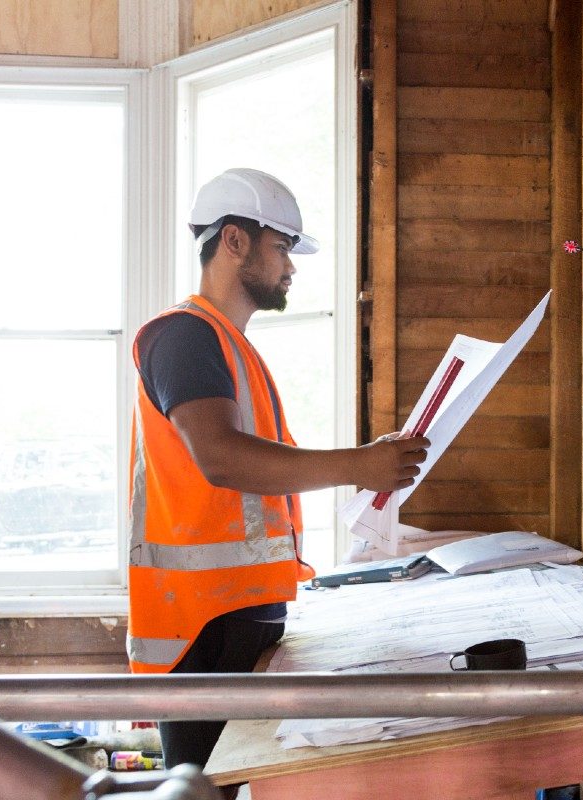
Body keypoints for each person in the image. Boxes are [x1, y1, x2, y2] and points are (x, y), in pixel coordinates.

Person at [126, 167, 429, 768]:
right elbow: (219, 458)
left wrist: (364, 463)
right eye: (282, 247)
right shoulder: (183, 336)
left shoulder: (228, 344)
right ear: (234, 240)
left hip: (235, 609)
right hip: (201, 623)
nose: (291, 267)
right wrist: (359, 464)